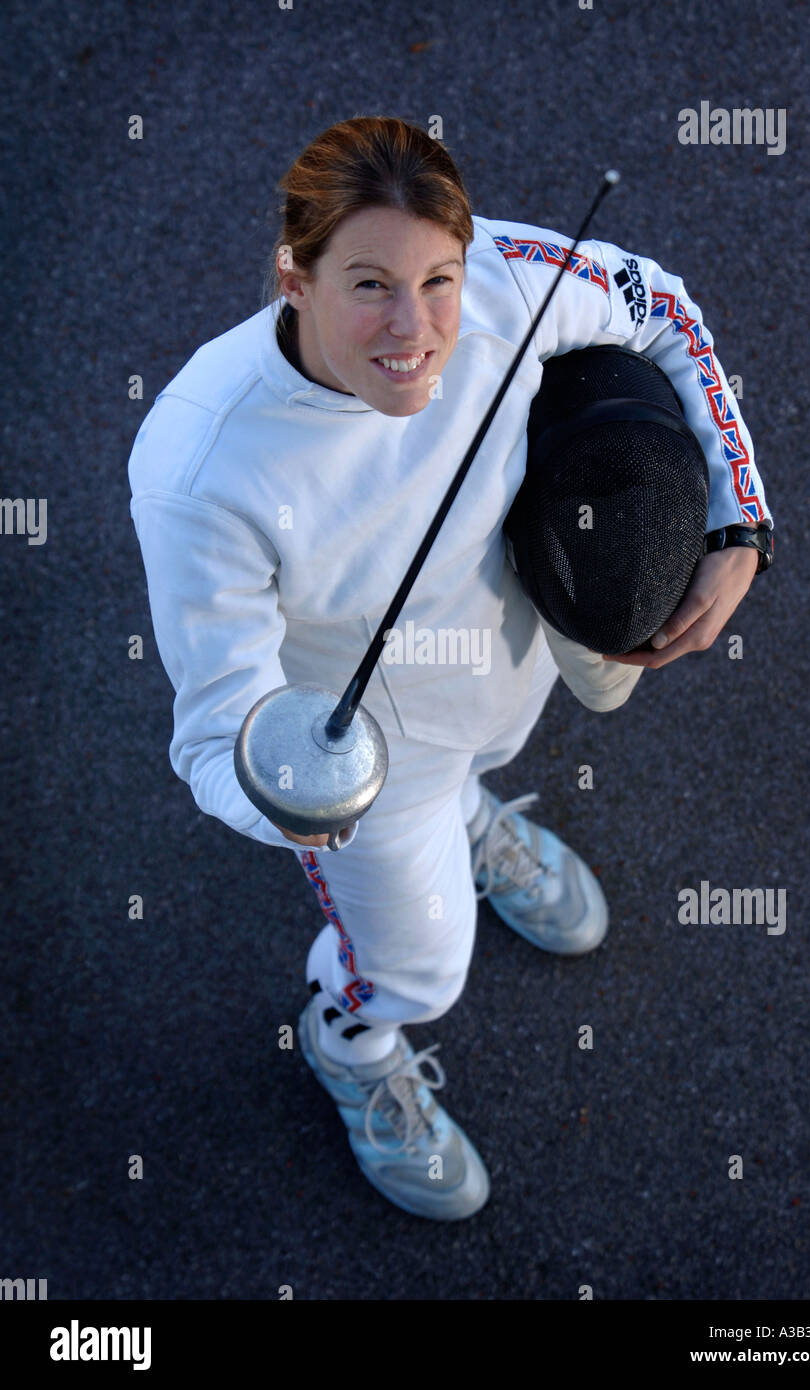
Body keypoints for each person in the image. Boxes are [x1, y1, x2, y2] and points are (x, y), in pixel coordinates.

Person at [127, 115, 773, 1222]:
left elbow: (657, 304)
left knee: (497, 743)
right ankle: (350, 1037)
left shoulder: (506, 285)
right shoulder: (201, 465)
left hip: (498, 674)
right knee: (420, 966)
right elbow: (214, 731)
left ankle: (470, 820)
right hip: (369, 774)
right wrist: (305, 803)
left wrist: (737, 514)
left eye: (437, 279)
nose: (415, 329)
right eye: (369, 284)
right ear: (292, 273)